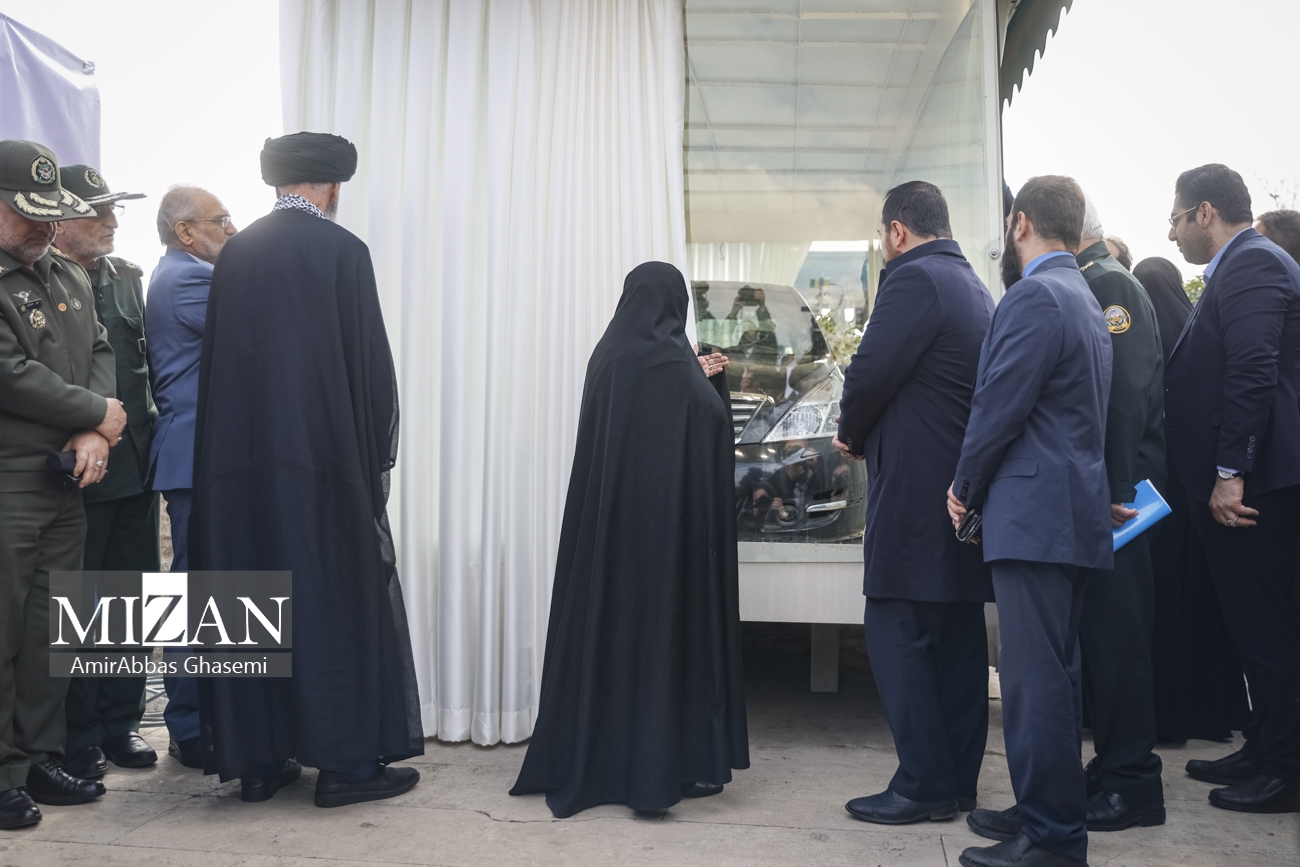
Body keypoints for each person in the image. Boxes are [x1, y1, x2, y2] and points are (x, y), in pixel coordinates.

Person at [192, 132, 423, 806]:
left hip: (237, 470)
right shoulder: (342, 251)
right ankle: (347, 767)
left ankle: (259, 763)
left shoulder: (236, 254)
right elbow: (370, 370)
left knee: (251, 594)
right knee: (331, 597)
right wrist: (374, 461)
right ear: (332, 186)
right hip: (322, 463)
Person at [510, 261, 749, 817]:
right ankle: (657, 768)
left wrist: (692, 373)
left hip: (609, 541)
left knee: (611, 641)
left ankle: (600, 757)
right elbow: (709, 421)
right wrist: (708, 380)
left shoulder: (608, 355)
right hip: (663, 541)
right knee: (662, 643)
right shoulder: (671, 363)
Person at [971, 198, 1168, 845]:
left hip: (1111, 501)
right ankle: (1071, 793)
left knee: (1111, 647)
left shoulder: (1106, 284)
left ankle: (1126, 781)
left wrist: (1111, 487)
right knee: (1080, 654)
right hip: (1092, 495)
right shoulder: (1083, 286)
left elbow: (1120, 400)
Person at [950, 176, 1112, 867]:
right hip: (1068, 515)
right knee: (1056, 676)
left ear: (1021, 223)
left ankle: (1051, 838)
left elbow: (998, 405)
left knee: (1033, 682)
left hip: (1035, 516)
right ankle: (1045, 810)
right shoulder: (1083, 295)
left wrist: (963, 485)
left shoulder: (1035, 296)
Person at [831, 181, 994, 825]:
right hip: (959, 492)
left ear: (897, 231)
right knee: (957, 642)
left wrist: (850, 432)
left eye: (882, 234)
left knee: (897, 629)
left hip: (916, 494)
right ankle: (955, 783)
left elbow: (869, 371)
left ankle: (923, 784)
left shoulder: (913, 278)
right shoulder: (971, 283)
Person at [1164, 164, 1300, 814]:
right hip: (1246, 480)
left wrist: (1228, 473)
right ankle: (1265, 744)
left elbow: (1252, 369)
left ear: (1206, 212)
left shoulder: (1253, 263)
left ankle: (1287, 769)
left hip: (1256, 487)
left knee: (1268, 628)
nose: (1172, 233)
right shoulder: (1240, 265)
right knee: (1251, 628)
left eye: (1176, 218)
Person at [0, 140, 122, 828]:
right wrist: (95, 414)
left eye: (52, 214)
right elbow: (11, 372)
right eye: (29, 214)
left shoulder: (67, 273)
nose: (45, 227)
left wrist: (94, 428)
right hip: (8, 481)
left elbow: (99, 349)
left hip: (66, 479)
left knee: (52, 632)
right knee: (4, 632)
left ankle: (37, 757)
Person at [48, 165, 160, 780]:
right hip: (80, 472)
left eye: (115, 209)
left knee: (131, 599)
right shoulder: (39, 282)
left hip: (135, 467)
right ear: (61, 219)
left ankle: (122, 721)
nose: (112, 221)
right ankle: (80, 734)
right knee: (80, 605)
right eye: (98, 212)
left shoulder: (127, 279)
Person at [1132, 256, 1250, 745]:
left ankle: (1167, 716)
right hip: (1200, 496)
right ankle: (1215, 712)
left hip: (1162, 497)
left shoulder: (1149, 344)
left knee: (1164, 609)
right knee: (1204, 612)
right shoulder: (1197, 339)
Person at [145, 185, 237, 768]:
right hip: (196, 457)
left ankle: (203, 720)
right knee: (193, 594)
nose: (232, 229)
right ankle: (189, 726)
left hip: (201, 457)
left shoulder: (178, 273)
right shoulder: (189, 280)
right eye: (221, 219)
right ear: (185, 231)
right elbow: (257, 329)